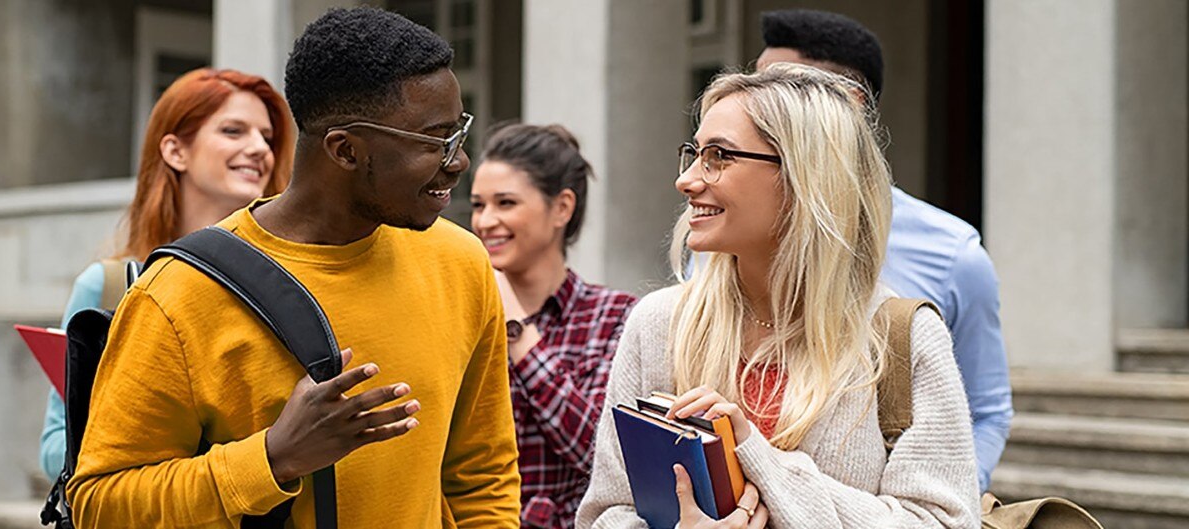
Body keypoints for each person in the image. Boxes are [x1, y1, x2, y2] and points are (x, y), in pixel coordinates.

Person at [66, 7, 520, 528]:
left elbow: (481, 476)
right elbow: (100, 505)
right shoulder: (177, 296)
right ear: (345, 151)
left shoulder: (460, 263)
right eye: (434, 140)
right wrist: (272, 460)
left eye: (458, 131)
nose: (459, 160)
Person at [578, 64, 980, 528]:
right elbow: (603, 515)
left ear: (805, 174)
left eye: (718, 156)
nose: (687, 179)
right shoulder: (659, 324)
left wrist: (756, 456)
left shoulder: (904, 338)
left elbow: (944, 523)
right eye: (693, 153)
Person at [756, 8, 1013, 492]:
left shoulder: (953, 254)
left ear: (849, 105)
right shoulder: (720, 241)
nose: (751, 106)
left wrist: (948, 503)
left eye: (776, 93)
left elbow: (987, 410)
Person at [38, 67, 294, 482]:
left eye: (267, 137)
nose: (259, 149)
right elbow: (53, 449)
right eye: (233, 131)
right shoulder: (108, 288)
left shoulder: (290, 284)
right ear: (176, 151)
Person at [469, 123, 638, 528]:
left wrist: (515, 326)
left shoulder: (615, 317)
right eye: (478, 205)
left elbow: (599, 453)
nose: (485, 221)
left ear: (562, 207)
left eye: (505, 203)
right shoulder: (462, 315)